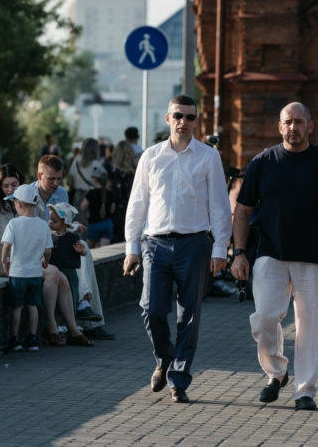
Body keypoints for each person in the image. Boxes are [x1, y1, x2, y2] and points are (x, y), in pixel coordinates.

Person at [231, 102, 318, 411]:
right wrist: (238, 253)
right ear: (280, 127)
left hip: (314, 258)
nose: (293, 127)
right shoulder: (263, 162)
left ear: (310, 126)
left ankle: (305, 392)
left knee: (309, 326)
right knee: (264, 319)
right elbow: (243, 209)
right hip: (270, 254)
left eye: (299, 122)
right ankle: (277, 372)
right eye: (288, 122)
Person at [123, 94, 232, 404]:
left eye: (190, 117)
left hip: (195, 243)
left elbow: (219, 205)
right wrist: (132, 247)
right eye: (178, 115)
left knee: (190, 315)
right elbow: (137, 204)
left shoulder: (208, 157)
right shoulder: (151, 157)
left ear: (197, 121)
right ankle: (165, 360)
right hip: (155, 244)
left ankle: (178, 379)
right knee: (152, 308)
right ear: (168, 119)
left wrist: (220, 248)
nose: (184, 121)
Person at [0, 162, 94, 347]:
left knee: (62, 277)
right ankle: (53, 328)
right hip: (10, 262)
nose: (10, 189)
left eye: (14, 184)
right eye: (5, 185)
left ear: (20, 183)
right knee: (54, 274)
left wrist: (70, 228)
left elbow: (47, 232)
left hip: (31, 260)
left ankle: (69, 329)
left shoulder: (35, 205)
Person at [32, 155, 113, 339]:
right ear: (39, 175)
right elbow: (31, 229)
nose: (56, 183)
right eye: (51, 178)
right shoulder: (29, 195)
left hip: (57, 244)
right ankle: (86, 315)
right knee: (78, 246)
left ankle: (86, 307)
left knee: (81, 245)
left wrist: (73, 225)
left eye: (59, 178)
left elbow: (65, 221)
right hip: (39, 248)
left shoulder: (62, 193)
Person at [1, 184, 52, 352]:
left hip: (18, 272)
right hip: (35, 272)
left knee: (17, 307)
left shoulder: (13, 223)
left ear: (19, 204)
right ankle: (32, 339)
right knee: (32, 306)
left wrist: (4, 260)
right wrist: (45, 261)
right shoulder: (43, 224)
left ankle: (14, 339)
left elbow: (7, 246)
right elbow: (48, 250)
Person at [108, 140, 137, 243]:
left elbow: (111, 192)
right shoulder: (136, 171)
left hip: (117, 209)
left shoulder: (113, 172)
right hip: (134, 208)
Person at [80, 165, 116, 249]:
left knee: (90, 251)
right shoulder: (110, 194)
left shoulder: (91, 193)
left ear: (95, 179)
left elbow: (83, 208)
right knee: (104, 251)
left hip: (94, 225)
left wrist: (87, 194)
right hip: (107, 224)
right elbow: (112, 210)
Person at [67, 138, 100, 227]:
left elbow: (69, 180)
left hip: (78, 196)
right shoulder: (97, 164)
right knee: (91, 224)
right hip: (93, 196)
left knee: (78, 224)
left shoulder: (76, 161)